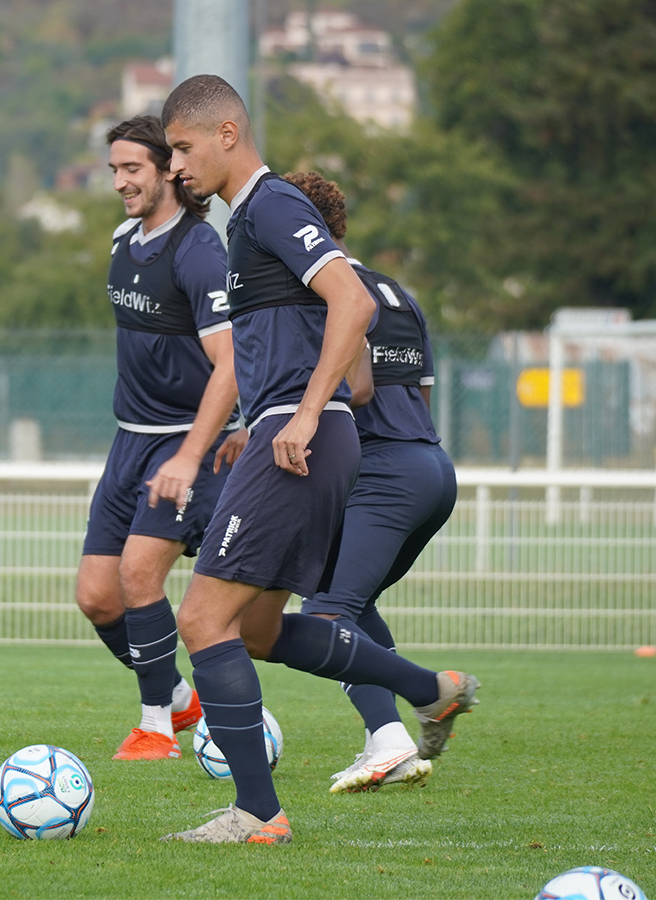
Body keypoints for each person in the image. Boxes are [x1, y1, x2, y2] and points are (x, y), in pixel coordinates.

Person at [157, 75, 479, 844]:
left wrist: (302, 411)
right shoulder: (247, 226)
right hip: (306, 434)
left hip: (295, 439)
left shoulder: (271, 204)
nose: (175, 166)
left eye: (181, 147)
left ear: (227, 133)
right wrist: (309, 401)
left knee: (202, 620)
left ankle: (258, 815)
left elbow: (355, 303)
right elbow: (361, 369)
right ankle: (429, 690)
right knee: (260, 631)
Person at [284, 172, 457, 793]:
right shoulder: (397, 294)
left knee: (328, 611)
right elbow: (424, 394)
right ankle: (390, 741)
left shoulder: (323, 294)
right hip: (433, 468)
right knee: (349, 601)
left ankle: (425, 701)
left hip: (384, 470)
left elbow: (348, 398)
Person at [75, 114, 239, 762]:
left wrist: (192, 456)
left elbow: (229, 365)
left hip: (182, 443)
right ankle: (178, 700)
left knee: (140, 574)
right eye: (114, 169)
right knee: (96, 595)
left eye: (132, 168)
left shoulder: (199, 251)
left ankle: (154, 729)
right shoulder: (122, 239)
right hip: (128, 442)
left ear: (170, 169)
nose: (119, 181)